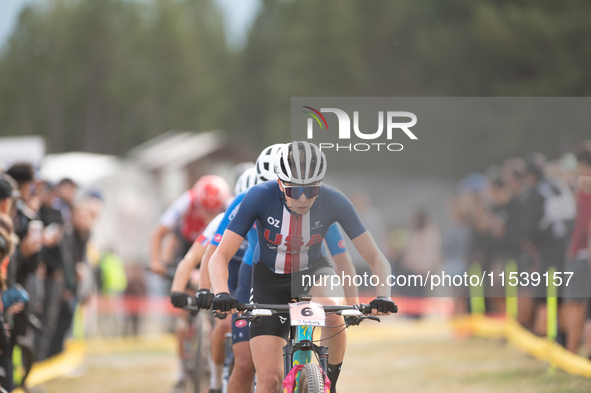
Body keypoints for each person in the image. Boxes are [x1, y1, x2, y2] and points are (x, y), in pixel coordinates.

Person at [209, 141, 396, 393]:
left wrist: (383, 295)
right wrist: (221, 293)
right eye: (294, 190)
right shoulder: (259, 196)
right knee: (269, 381)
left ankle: (329, 384)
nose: (304, 198)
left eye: (312, 189)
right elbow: (219, 256)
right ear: (279, 183)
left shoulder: (333, 200)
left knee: (334, 311)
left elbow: (375, 256)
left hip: (314, 273)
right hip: (269, 281)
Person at [563, 141, 591, 354]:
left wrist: (573, 247)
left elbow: (583, 225)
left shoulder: (585, 188)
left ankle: (572, 351)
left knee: (577, 303)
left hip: (583, 253)